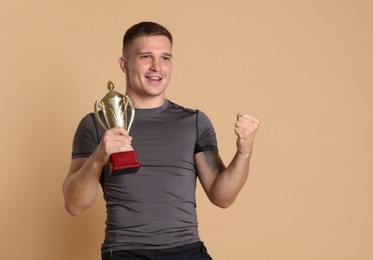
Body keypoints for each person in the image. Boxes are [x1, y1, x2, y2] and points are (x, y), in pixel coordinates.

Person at [63, 21, 259, 260]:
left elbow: (222, 197)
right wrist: (98, 158)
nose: (157, 67)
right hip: (125, 252)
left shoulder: (195, 122)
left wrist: (244, 153)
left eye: (165, 58)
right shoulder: (96, 124)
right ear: (124, 64)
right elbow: (74, 205)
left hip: (187, 250)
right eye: (146, 56)